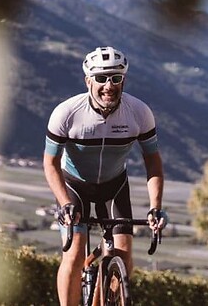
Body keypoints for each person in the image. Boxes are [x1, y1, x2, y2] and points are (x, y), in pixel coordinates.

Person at [43, 46, 168, 306]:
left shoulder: (139, 112)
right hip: (74, 186)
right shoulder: (66, 113)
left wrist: (155, 207)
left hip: (114, 187)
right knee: (74, 254)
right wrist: (64, 203)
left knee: (123, 254)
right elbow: (50, 162)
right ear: (88, 80)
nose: (108, 86)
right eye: (101, 78)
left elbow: (153, 162)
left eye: (116, 78)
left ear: (124, 80)